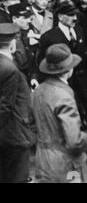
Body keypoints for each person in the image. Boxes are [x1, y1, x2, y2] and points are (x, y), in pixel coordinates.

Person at [31, 44, 87, 183]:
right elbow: (74, 141)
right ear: (69, 70)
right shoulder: (64, 95)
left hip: (43, 160)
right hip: (67, 163)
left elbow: (30, 123)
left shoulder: (38, 91)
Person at [39, 3, 87, 135]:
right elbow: (42, 62)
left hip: (81, 79)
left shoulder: (79, 30)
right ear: (60, 16)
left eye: (75, 15)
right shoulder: (49, 37)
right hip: (62, 81)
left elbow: (84, 56)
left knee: (83, 108)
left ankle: (83, 133)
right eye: (70, 15)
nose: (74, 18)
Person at [0, 23, 36, 183]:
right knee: (17, 177)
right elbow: (5, 106)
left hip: (7, 134)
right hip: (15, 133)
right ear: (13, 43)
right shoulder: (10, 69)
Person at [9, 3, 40, 88]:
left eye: (29, 17)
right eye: (25, 18)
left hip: (32, 79)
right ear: (14, 19)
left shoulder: (29, 33)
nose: (29, 21)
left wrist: (33, 77)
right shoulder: (8, 39)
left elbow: (32, 59)